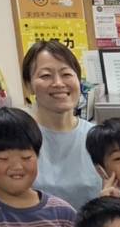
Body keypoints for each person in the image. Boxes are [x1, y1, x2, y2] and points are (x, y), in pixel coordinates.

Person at [21, 40, 99, 209]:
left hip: (92, 225)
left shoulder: (99, 138)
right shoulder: (17, 138)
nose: (58, 83)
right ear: (28, 85)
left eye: (66, 74)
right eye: (45, 76)